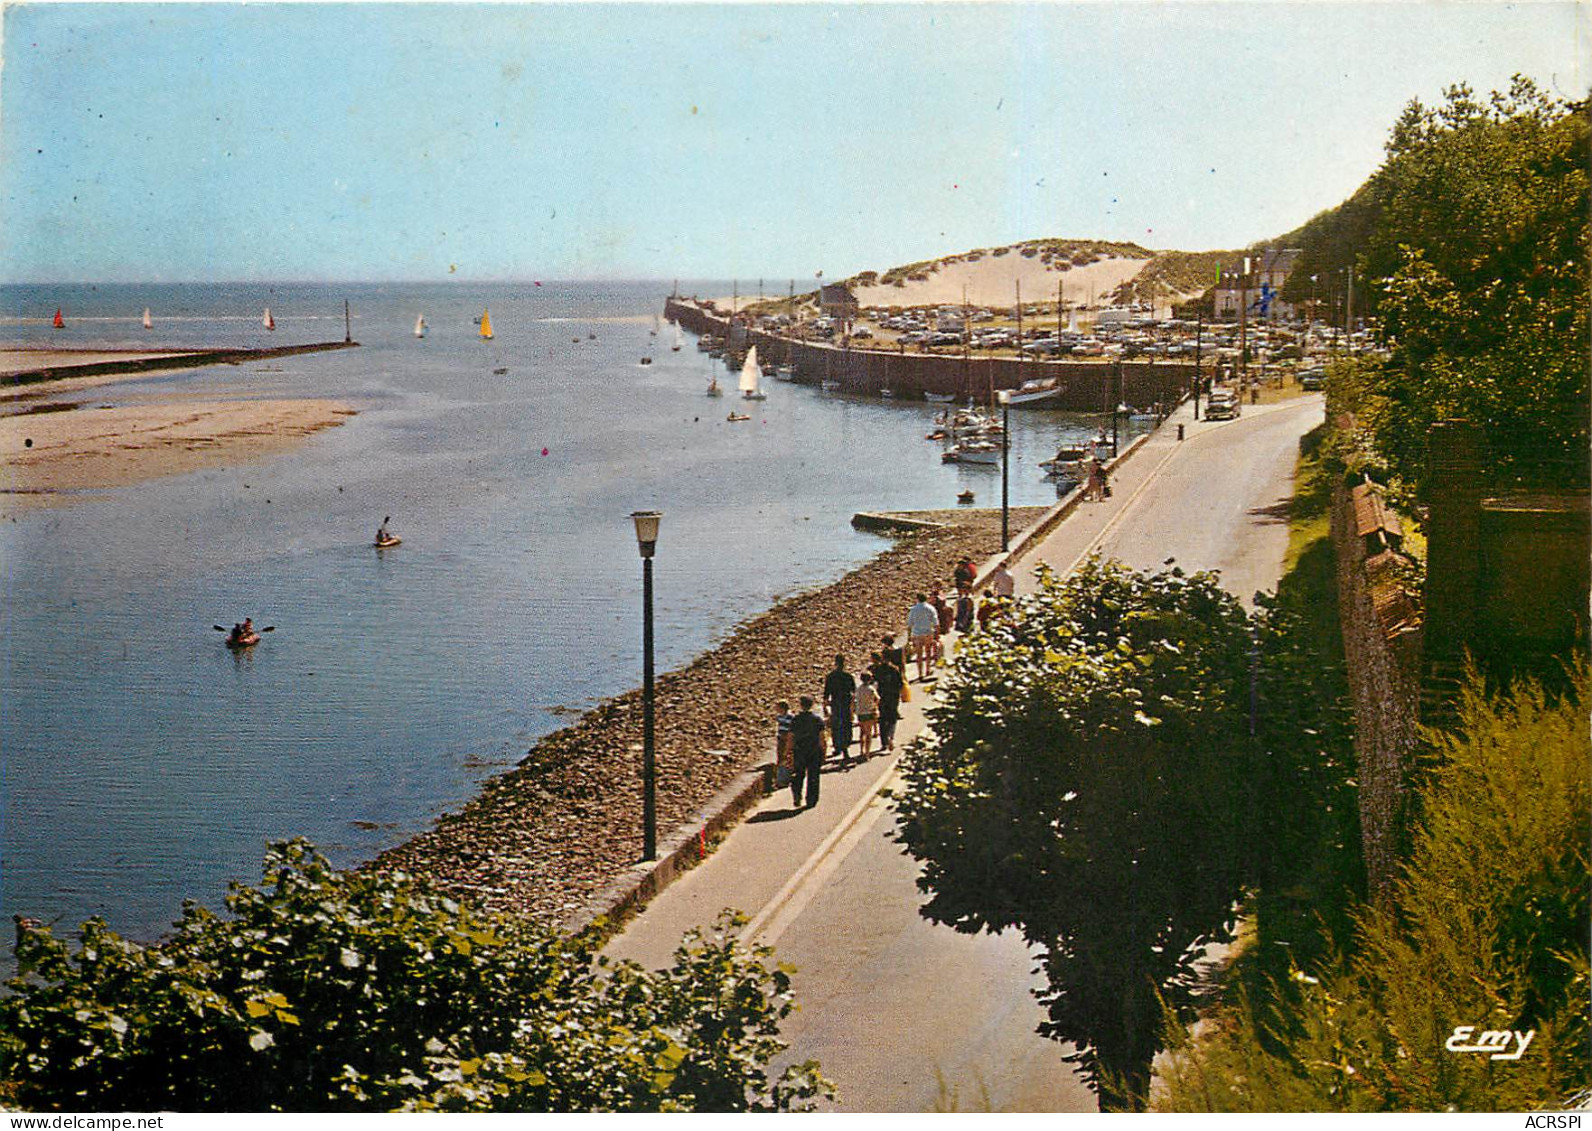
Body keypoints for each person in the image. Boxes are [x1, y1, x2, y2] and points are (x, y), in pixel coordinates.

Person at [788, 696, 826, 808]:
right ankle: (811, 800)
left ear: (801, 705)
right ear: (812, 705)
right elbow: (822, 738)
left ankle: (797, 795)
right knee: (813, 776)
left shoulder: (795, 719)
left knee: (798, 774)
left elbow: (790, 737)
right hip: (814, 750)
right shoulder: (817, 720)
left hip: (799, 750)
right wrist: (824, 751)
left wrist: (788, 752)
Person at [823, 654, 857, 767]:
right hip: (846, 703)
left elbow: (826, 693)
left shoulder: (830, 677)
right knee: (847, 725)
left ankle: (838, 746)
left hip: (835, 703)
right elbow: (853, 692)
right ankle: (845, 746)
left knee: (836, 726)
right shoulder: (848, 676)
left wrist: (825, 707)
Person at [870, 649, 904, 750]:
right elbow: (900, 684)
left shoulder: (876, 670)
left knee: (882, 719)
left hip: (881, 697)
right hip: (893, 697)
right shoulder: (894, 669)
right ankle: (890, 736)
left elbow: (874, 684)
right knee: (892, 718)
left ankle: (884, 742)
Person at [906, 594, 939, 682]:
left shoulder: (913, 609)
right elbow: (936, 622)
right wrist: (936, 635)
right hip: (928, 633)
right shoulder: (930, 608)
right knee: (928, 652)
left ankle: (920, 673)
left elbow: (909, 624)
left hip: (917, 634)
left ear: (917, 599)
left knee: (919, 654)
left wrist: (909, 637)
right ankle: (927, 670)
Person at [855, 673, 879, 758]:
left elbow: (855, 699)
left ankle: (861, 750)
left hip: (860, 713)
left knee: (862, 732)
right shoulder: (871, 689)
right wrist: (874, 706)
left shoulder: (858, 689)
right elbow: (877, 698)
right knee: (869, 734)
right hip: (869, 712)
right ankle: (867, 753)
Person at [775, 700, 795, 790]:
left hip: (787, 739)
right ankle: (780, 778)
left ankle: (785, 778)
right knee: (780, 757)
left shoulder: (790, 717)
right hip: (780, 739)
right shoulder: (779, 717)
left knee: (786, 757)